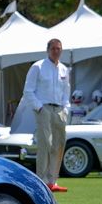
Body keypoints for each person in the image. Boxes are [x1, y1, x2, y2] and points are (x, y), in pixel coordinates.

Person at [22, 38, 71, 192]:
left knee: (59, 144)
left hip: (59, 110)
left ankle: (52, 181)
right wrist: (39, 108)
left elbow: (66, 92)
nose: (56, 51)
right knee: (45, 144)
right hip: (44, 108)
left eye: (59, 49)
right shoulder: (38, 67)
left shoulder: (64, 69)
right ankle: (41, 181)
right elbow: (28, 91)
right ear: (48, 50)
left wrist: (66, 108)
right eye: (53, 49)